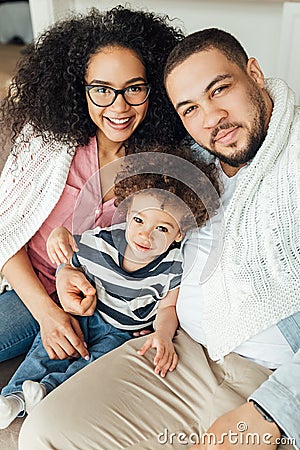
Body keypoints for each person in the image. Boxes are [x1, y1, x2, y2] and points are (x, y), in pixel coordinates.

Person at [18, 28, 300, 450]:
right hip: (178, 353)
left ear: (254, 74)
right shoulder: (190, 163)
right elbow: (123, 237)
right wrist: (70, 268)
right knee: (44, 431)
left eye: (220, 90)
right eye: (189, 109)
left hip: (270, 376)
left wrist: (276, 410)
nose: (210, 118)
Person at [0, 6, 186, 364]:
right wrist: (47, 314)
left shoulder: (164, 169)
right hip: (31, 290)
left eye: (134, 88)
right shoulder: (46, 143)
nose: (119, 107)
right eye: (102, 89)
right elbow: (6, 233)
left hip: (105, 310)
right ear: (79, 89)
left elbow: (170, 254)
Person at [0, 144, 220, 429]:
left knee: (92, 366)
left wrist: (163, 335)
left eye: (162, 228)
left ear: (180, 233)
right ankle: (14, 398)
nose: (145, 234)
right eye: (139, 220)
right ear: (127, 213)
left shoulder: (174, 266)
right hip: (85, 313)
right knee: (46, 350)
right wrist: (59, 239)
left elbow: (168, 307)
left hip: (120, 333)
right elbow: (70, 257)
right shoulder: (104, 240)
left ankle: (46, 392)